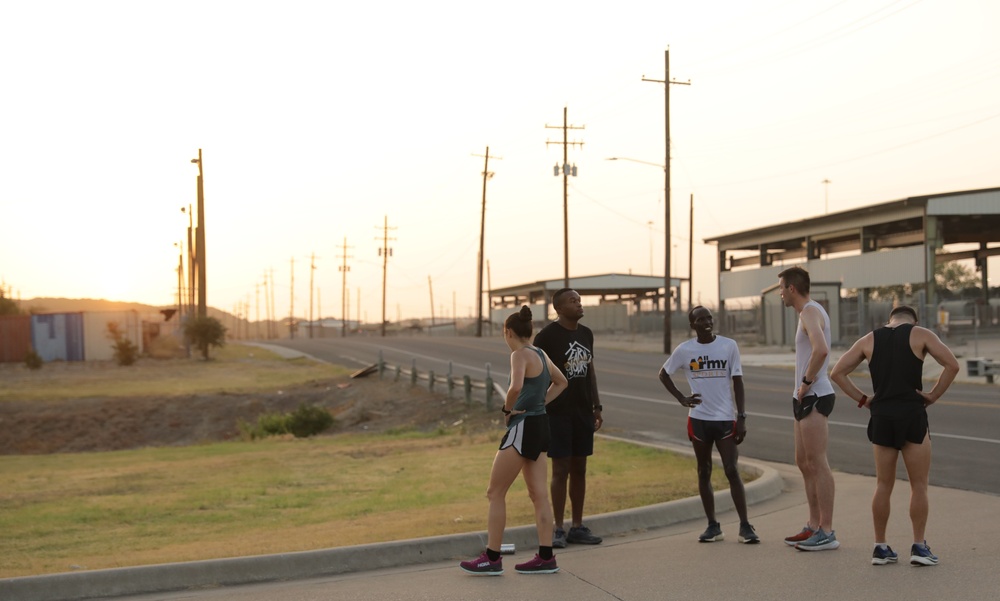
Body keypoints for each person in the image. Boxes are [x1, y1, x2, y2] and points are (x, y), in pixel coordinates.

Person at [830, 305, 958, 567]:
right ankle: (919, 547)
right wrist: (933, 395)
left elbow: (837, 372)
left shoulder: (869, 339)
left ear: (889, 320)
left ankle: (880, 546)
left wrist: (864, 400)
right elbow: (952, 365)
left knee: (883, 484)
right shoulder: (921, 334)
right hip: (912, 414)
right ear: (913, 320)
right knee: (918, 484)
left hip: (882, 417)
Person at [460, 305, 568, 576]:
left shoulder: (519, 354)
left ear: (507, 331)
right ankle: (546, 557)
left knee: (495, 492)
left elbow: (516, 386)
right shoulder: (540, 353)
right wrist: (541, 402)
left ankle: (492, 558)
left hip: (523, 426)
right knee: (538, 495)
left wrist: (508, 411)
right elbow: (562, 381)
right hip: (541, 425)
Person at [658, 306, 760, 544]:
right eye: (700, 319)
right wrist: (682, 398)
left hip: (725, 419)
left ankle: (745, 525)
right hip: (699, 419)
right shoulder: (685, 350)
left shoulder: (728, 345)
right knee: (703, 471)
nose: (706, 322)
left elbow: (738, 382)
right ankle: (713, 525)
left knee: (731, 470)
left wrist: (742, 416)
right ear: (692, 325)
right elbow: (663, 374)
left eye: (709, 318)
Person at [533, 288, 604, 548]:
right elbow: (536, 372)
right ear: (559, 308)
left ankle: (577, 526)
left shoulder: (586, 334)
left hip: (583, 411)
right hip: (557, 413)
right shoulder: (546, 336)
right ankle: (558, 529)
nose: (579, 304)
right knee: (560, 469)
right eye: (572, 301)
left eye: (580, 300)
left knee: (580, 468)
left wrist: (597, 406)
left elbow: (590, 371)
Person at [777, 266, 839, 551]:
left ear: (791, 288)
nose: (779, 293)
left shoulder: (809, 312)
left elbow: (821, 349)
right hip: (802, 397)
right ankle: (813, 525)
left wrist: (805, 382)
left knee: (818, 463)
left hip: (814, 394)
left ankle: (827, 531)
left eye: (781, 288)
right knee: (803, 463)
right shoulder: (808, 313)